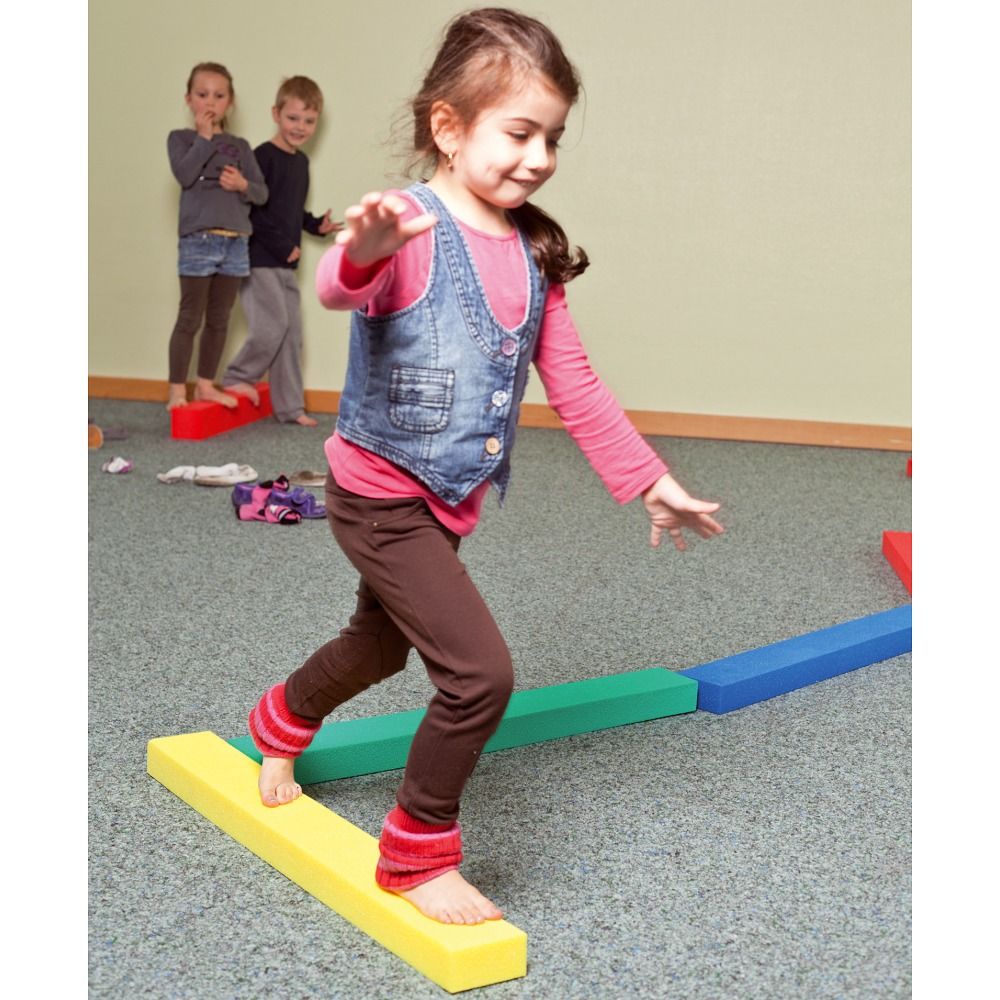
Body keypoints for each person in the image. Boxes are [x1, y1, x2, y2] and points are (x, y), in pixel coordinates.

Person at [245, 7, 724, 926]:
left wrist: (648, 478)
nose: (539, 156)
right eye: (518, 132)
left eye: (552, 137)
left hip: (444, 504)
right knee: (479, 675)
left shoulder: (534, 251)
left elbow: (574, 381)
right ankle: (416, 854)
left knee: (381, 643)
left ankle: (281, 719)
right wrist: (364, 249)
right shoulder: (406, 229)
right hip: (379, 495)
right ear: (449, 126)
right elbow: (342, 287)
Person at [221, 76, 341, 426]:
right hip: (260, 259)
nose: (300, 127)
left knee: (291, 334)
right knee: (271, 328)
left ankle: (289, 408)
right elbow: (254, 210)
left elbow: (289, 210)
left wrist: (315, 225)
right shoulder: (262, 156)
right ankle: (236, 377)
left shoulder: (301, 164)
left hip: (286, 262)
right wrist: (282, 245)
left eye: (308, 120)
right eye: (292, 118)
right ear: (276, 114)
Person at [166, 63, 267, 412]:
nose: (210, 101)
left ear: (230, 102)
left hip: (235, 242)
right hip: (198, 241)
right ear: (189, 99)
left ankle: (206, 384)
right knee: (190, 316)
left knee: (220, 318)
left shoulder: (240, 145)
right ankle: (178, 390)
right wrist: (204, 137)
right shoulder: (181, 139)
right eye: (202, 94)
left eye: (219, 96)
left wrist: (242, 186)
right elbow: (184, 174)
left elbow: (261, 192)